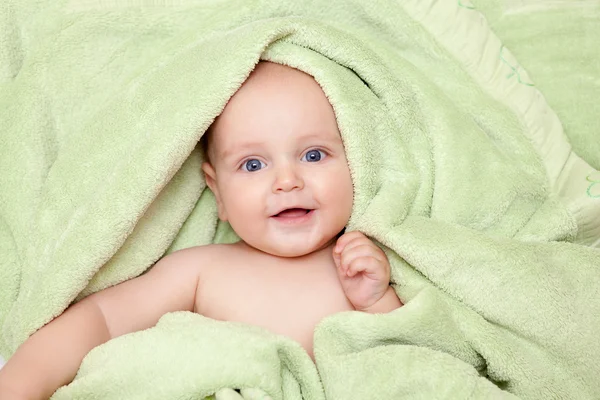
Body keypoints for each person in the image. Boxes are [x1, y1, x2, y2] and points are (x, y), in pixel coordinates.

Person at [0, 61, 402, 399]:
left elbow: (409, 360)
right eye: (253, 165)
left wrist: (378, 302)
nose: (287, 181)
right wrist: (20, 383)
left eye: (313, 155)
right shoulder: (201, 271)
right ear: (218, 193)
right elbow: (101, 319)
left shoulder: (363, 264)